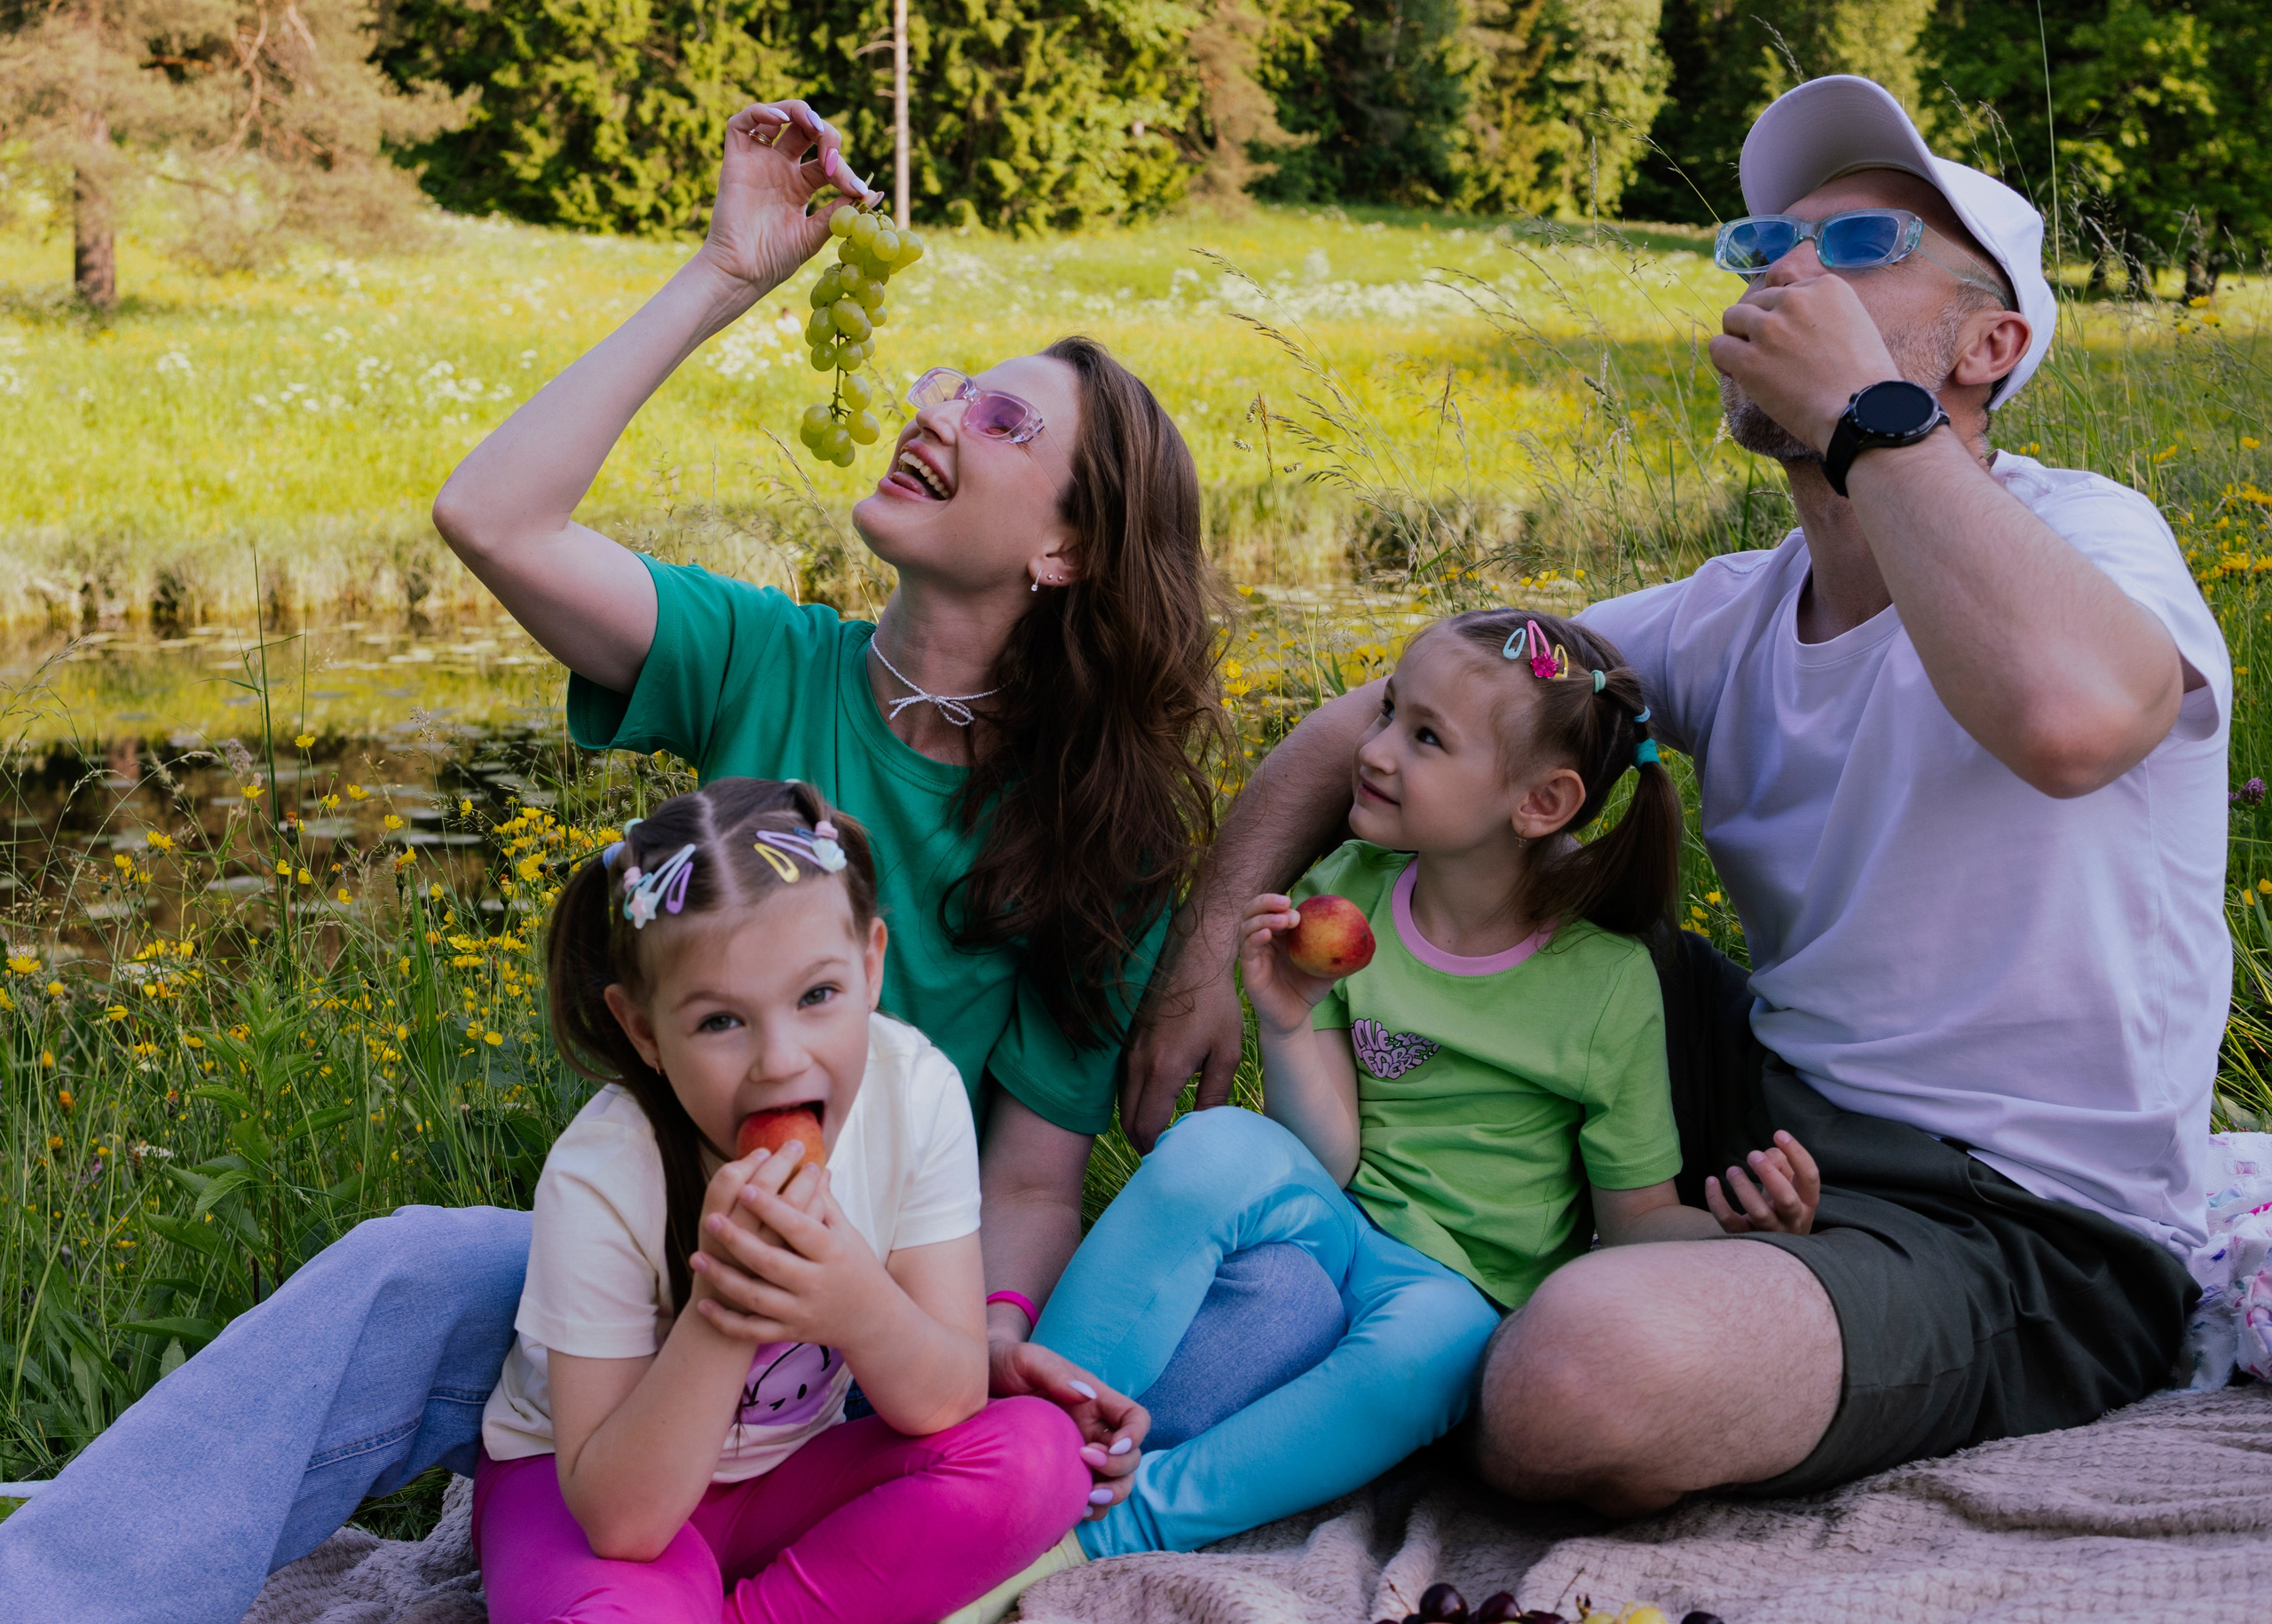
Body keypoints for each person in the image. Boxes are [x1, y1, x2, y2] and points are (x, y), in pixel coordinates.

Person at [0, 102, 1345, 1624]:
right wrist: (726, 269)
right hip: (669, 1278)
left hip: (896, 1302)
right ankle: (52, 1592)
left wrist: (970, 1332)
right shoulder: (760, 660)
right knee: (413, 1270)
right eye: (954, 384)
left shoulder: (1102, 822)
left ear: (1069, 553)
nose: (938, 408)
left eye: (1004, 421)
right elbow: (490, 515)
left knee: (1276, 1300)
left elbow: (1033, 1173)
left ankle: (817, 1546)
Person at [1124, 72, 2221, 1510]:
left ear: (1988, 343)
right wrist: (1209, 960)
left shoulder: (2087, 534)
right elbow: (1377, 726)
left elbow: (2070, 720)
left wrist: (1861, 412)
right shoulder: (1738, 609)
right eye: (1767, 248)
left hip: (2019, 1225)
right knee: (1464, 873)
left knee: (1574, 1385)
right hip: (1757, 1125)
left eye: (1862, 250)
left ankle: (1455, 1321)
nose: (1789, 277)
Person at [1043, 609, 1820, 1555]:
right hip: (1336, 1219)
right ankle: (1037, 1423)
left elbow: (1635, 1223)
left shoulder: (1606, 985)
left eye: (1424, 738)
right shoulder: (1351, 886)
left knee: (1432, 1356)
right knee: (1210, 1147)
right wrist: (1288, 1017)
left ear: (1539, 803)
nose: (1372, 753)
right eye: (1385, 714)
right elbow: (1325, 1158)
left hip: (1461, 1284)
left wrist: (1740, 1240)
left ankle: (1130, 1518)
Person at [476, 777, 1086, 1624]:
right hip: (591, 1493)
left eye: (817, 996)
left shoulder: (915, 1094)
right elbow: (622, 1519)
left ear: (872, 967)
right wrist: (728, 1304)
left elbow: (946, 1400)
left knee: (1040, 1459)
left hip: (791, 1476)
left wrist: (857, 1302)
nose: (779, 1059)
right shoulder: (601, 1176)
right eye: (721, 1021)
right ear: (643, 1031)